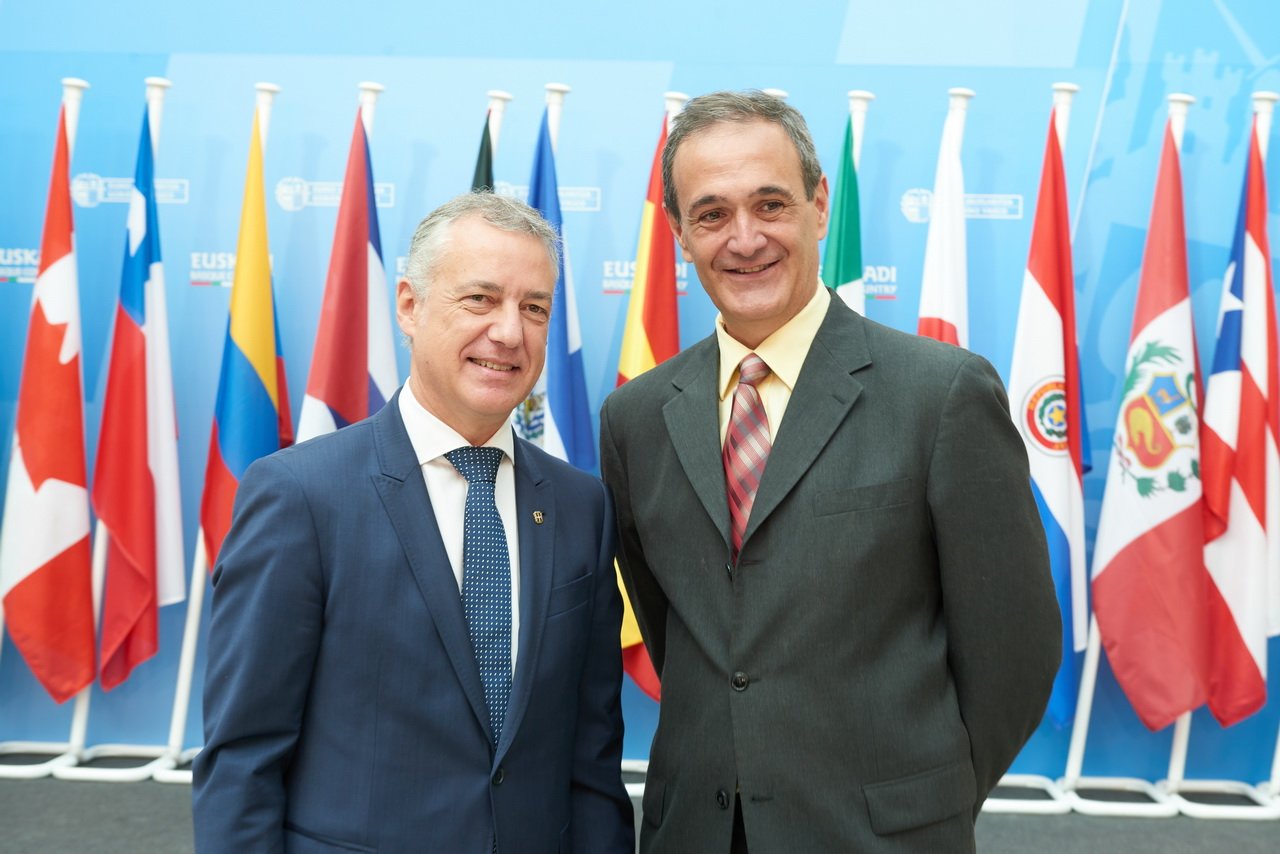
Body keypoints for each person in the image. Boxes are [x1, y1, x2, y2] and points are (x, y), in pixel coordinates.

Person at [599, 90, 1060, 852]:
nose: (745, 238)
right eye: (711, 214)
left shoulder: (941, 395)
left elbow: (1015, 651)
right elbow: (672, 630)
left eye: (770, 204)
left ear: (818, 206)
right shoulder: (636, 418)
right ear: (679, 234)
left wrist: (925, 801)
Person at [194, 193, 634, 853]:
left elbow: (591, 760)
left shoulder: (582, 507)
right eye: (480, 299)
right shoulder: (300, 497)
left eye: (534, 308)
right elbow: (241, 762)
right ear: (409, 305)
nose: (509, 332)